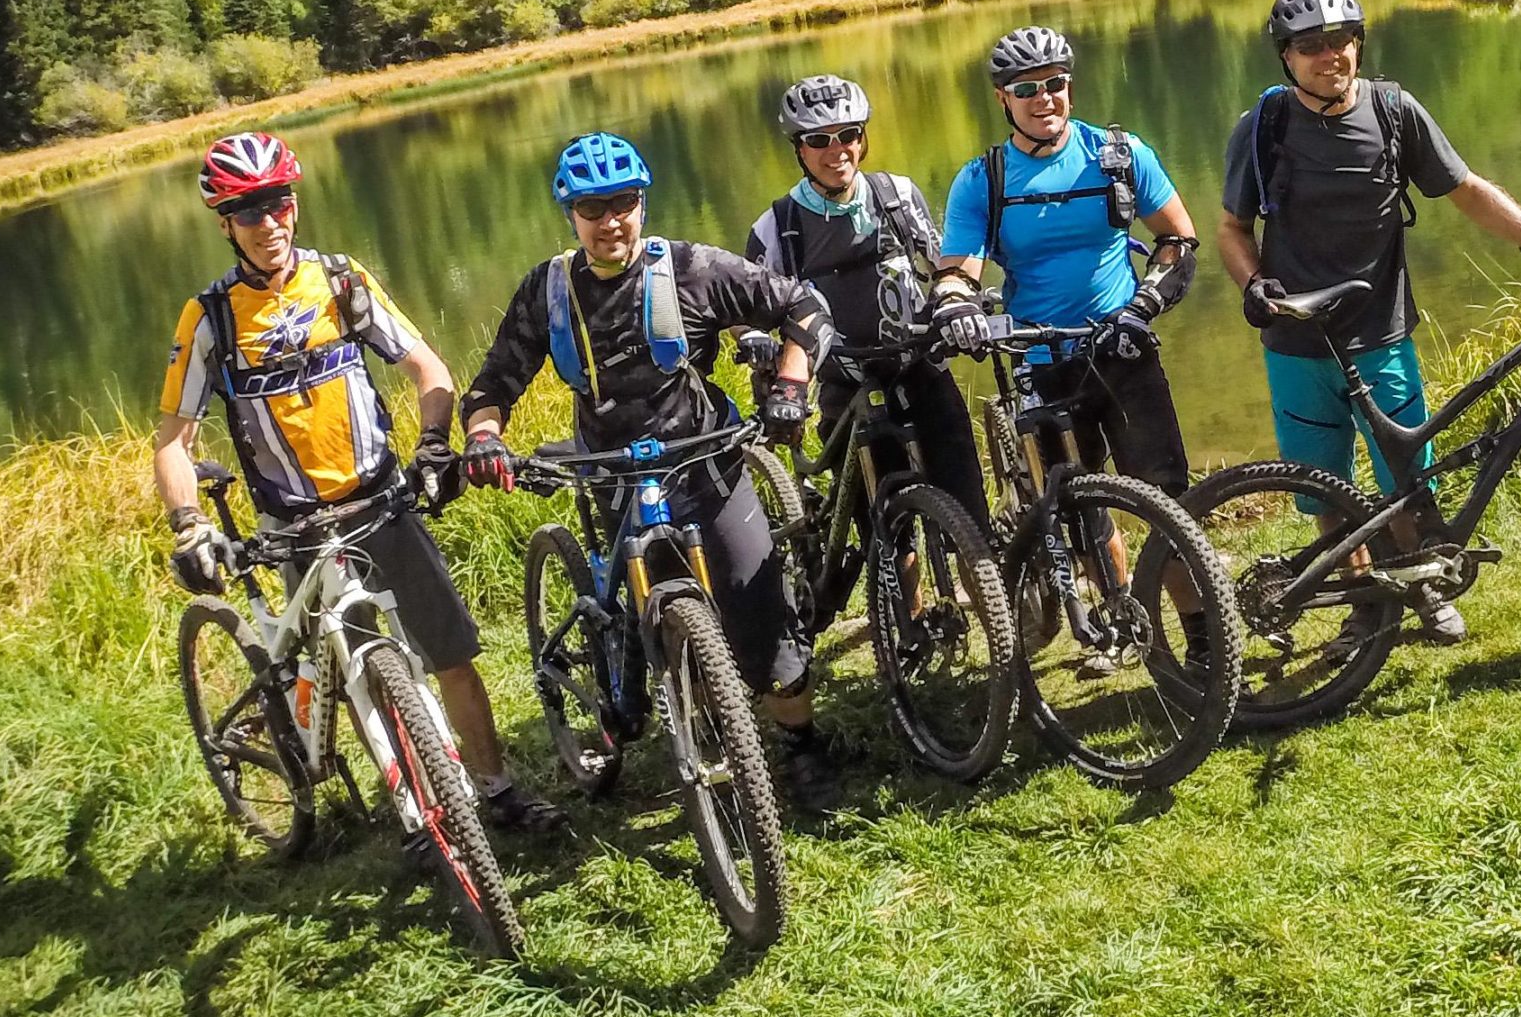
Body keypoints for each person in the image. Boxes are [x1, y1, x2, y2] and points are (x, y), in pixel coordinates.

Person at [151, 131, 556, 835]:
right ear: (225, 224)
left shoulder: (340, 281)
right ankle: (415, 816)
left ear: (295, 203)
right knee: (353, 674)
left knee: (453, 654)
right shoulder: (210, 317)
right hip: (295, 528)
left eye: (277, 202)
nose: (268, 222)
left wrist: (433, 444)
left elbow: (428, 369)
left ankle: (498, 791)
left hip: (382, 501)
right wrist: (189, 524)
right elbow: (173, 442)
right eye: (249, 211)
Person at [1216, 0, 1521, 645]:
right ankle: (1363, 604)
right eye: (1310, 45)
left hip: (1380, 333)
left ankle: (1422, 585)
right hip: (1297, 341)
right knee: (1323, 489)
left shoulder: (1395, 111)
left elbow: (1468, 191)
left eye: (1341, 39)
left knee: (1405, 476)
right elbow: (1231, 229)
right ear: (1286, 56)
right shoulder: (1264, 126)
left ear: (1359, 44)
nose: (1329, 54)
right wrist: (1253, 284)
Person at [456, 131, 842, 805]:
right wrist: (484, 436)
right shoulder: (547, 292)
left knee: (763, 615)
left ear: (643, 202)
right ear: (570, 213)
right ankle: (654, 703)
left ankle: (800, 743)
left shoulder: (691, 269)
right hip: (611, 471)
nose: (612, 221)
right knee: (639, 636)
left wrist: (790, 385)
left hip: (704, 462)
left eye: (626, 203)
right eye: (594, 208)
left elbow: (803, 306)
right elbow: (494, 383)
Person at [931, 24, 1200, 495]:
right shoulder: (982, 180)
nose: (1044, 99)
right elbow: (958, 273)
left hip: (1124, 349)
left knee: (1169, 500)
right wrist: (956, 307)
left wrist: (1141, 308)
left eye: (1055, 84)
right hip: (1041, 361)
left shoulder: (1118, 155)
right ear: (1003, 100)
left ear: (1070, 88)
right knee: (1079, 515)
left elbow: (1178, 240)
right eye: (1027, 89)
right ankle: (1099, 572)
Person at [745, 73, 991, 535]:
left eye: (849, 135)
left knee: (970, 513)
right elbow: (751, 309)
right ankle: (902, 602)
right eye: (819, 139)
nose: (837, 150)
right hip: (844, 382)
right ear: (799, 149)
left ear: (863, 140)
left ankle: (986, 595)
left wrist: (959, 303)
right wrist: (757, 340)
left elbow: (945, 265)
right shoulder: (776, 226)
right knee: (886, 537)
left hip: (919, 366)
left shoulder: (895, 195)